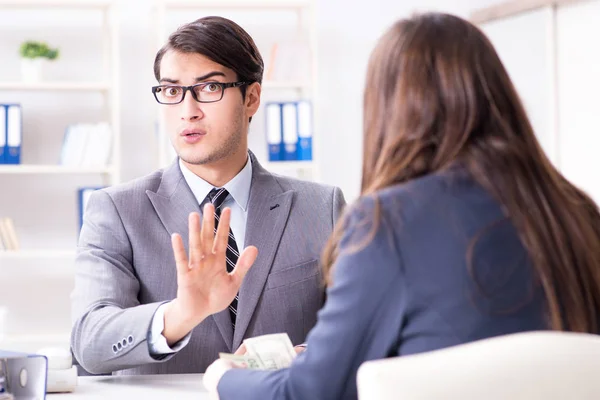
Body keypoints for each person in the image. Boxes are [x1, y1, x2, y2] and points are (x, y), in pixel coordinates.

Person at [203, 11, 600, 400]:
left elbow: (311, 391)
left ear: (388, 109)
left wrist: (223, 377)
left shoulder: (387, 222)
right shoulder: (576, 211)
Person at [70, 16, 345, 375]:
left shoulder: (321, 207)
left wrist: (304, 355)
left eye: (209, 88)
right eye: (172, 91)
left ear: (252, 98)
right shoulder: (117, 210)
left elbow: (365, 327)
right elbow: (89, 342)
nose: (188, 111)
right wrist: (180, 314)